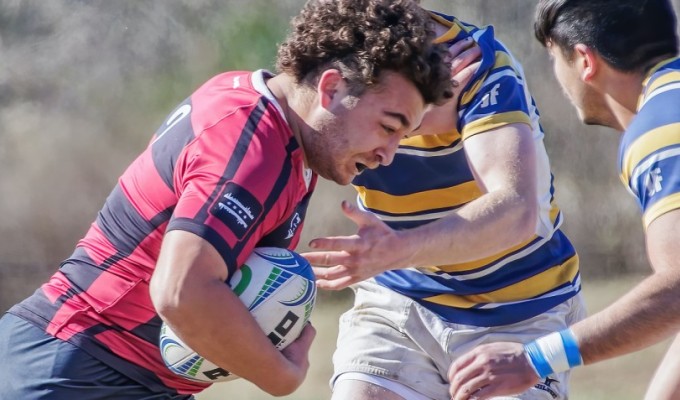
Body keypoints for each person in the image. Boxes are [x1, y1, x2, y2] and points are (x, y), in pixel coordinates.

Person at [0, 1, 455, 399]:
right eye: (390, 126)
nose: (388, 153)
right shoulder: (252, 145)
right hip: (71, 371)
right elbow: (182, 291)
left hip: (107, 373)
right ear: (331, 88)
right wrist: (282, 375)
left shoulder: (272, 121)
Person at [303, 9, 586, 400]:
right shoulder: (327, 55)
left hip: (518, 311)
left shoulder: (480, 64)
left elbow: (515, 211)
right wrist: (417, 115)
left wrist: (396, 249)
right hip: (400, 301)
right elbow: (297, 128)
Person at [446, 1, 680, 399]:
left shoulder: (661, 128)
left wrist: (536, 359)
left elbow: (677, 289)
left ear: (584, 61)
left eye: (555, 58)